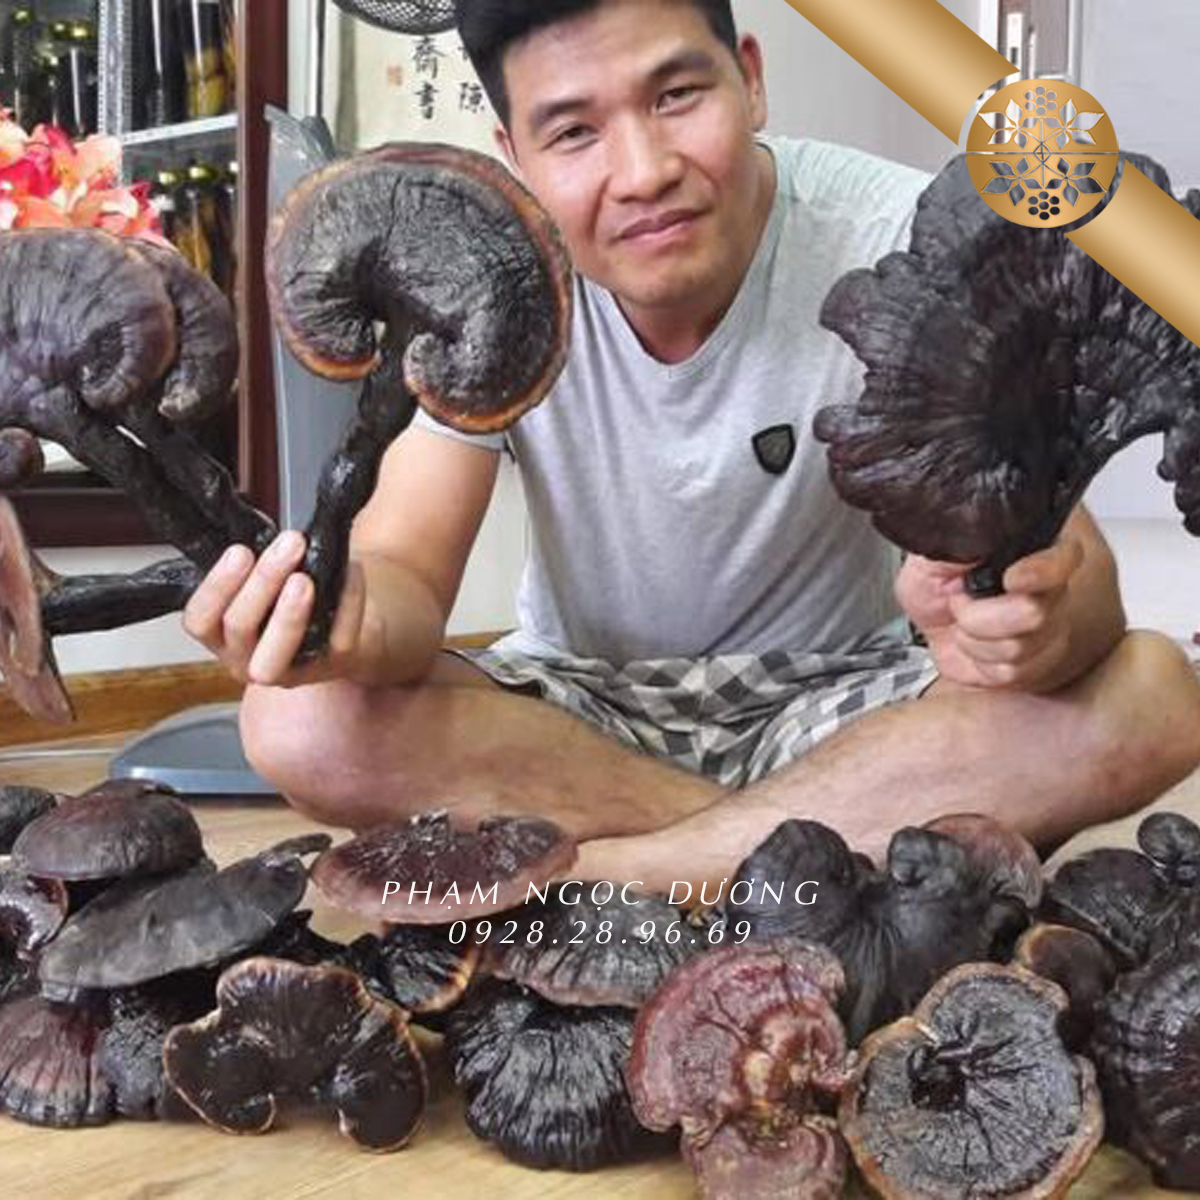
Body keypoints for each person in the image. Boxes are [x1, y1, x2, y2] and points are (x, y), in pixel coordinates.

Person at [184, 0, 1200, 893]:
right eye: (574, 131)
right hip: (579, 712)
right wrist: (355, 618)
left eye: (676, 96)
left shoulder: (908, 238)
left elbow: (1084, 592)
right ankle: (798, 856)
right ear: (514, 153)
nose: (645, 172)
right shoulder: (486, 281)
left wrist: (1030, 621)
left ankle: (613, 877)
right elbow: (405, 569)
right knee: (295, 721)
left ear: (749, 79)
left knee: (1151, 693)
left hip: (851, 698)